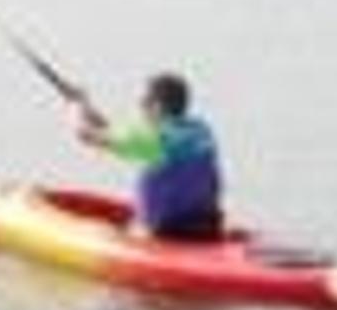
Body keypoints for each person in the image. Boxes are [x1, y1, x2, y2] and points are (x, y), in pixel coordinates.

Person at [75, 71, 226, 242]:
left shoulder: (154, 140)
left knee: (99, 230)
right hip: (208, 227)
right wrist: (86, 106)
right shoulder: (201, 131)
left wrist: (77, 108)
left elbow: (85, 135)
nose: (140, 105)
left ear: (158, 106)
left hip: (166, 233)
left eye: (145, 101)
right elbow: (115, 132)